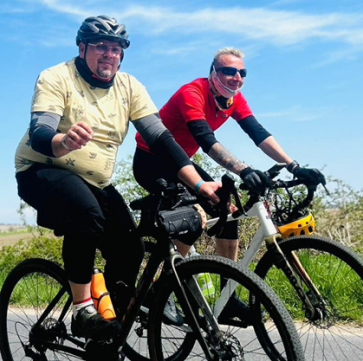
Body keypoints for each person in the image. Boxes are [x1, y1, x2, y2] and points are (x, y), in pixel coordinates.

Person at [14, 15, 222, 361]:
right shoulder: (56, 76)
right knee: (87, 215)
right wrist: (63, 141)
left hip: (95, 180)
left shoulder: (129, 87)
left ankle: (108, 345)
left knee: (130, 250)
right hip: (42, 170)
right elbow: (40, 131)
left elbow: (161, 140)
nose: (109, 55)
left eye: (116, 49)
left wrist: (199, 185)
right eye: (100, 47)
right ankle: (81, 307)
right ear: (82, 48)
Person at [133, 46, 326, 262]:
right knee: (193, 220)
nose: (236, 77)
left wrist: (294, 166)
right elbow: (206, 140)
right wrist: (243, 170)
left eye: (242, 73)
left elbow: (258, 133)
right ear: (213, 72)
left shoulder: (234, 100)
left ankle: (229, 288)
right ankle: (168, 282)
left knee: (228, 214)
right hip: (151, 162)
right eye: (229, 71)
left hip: (181, 164)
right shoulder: (192, 93)